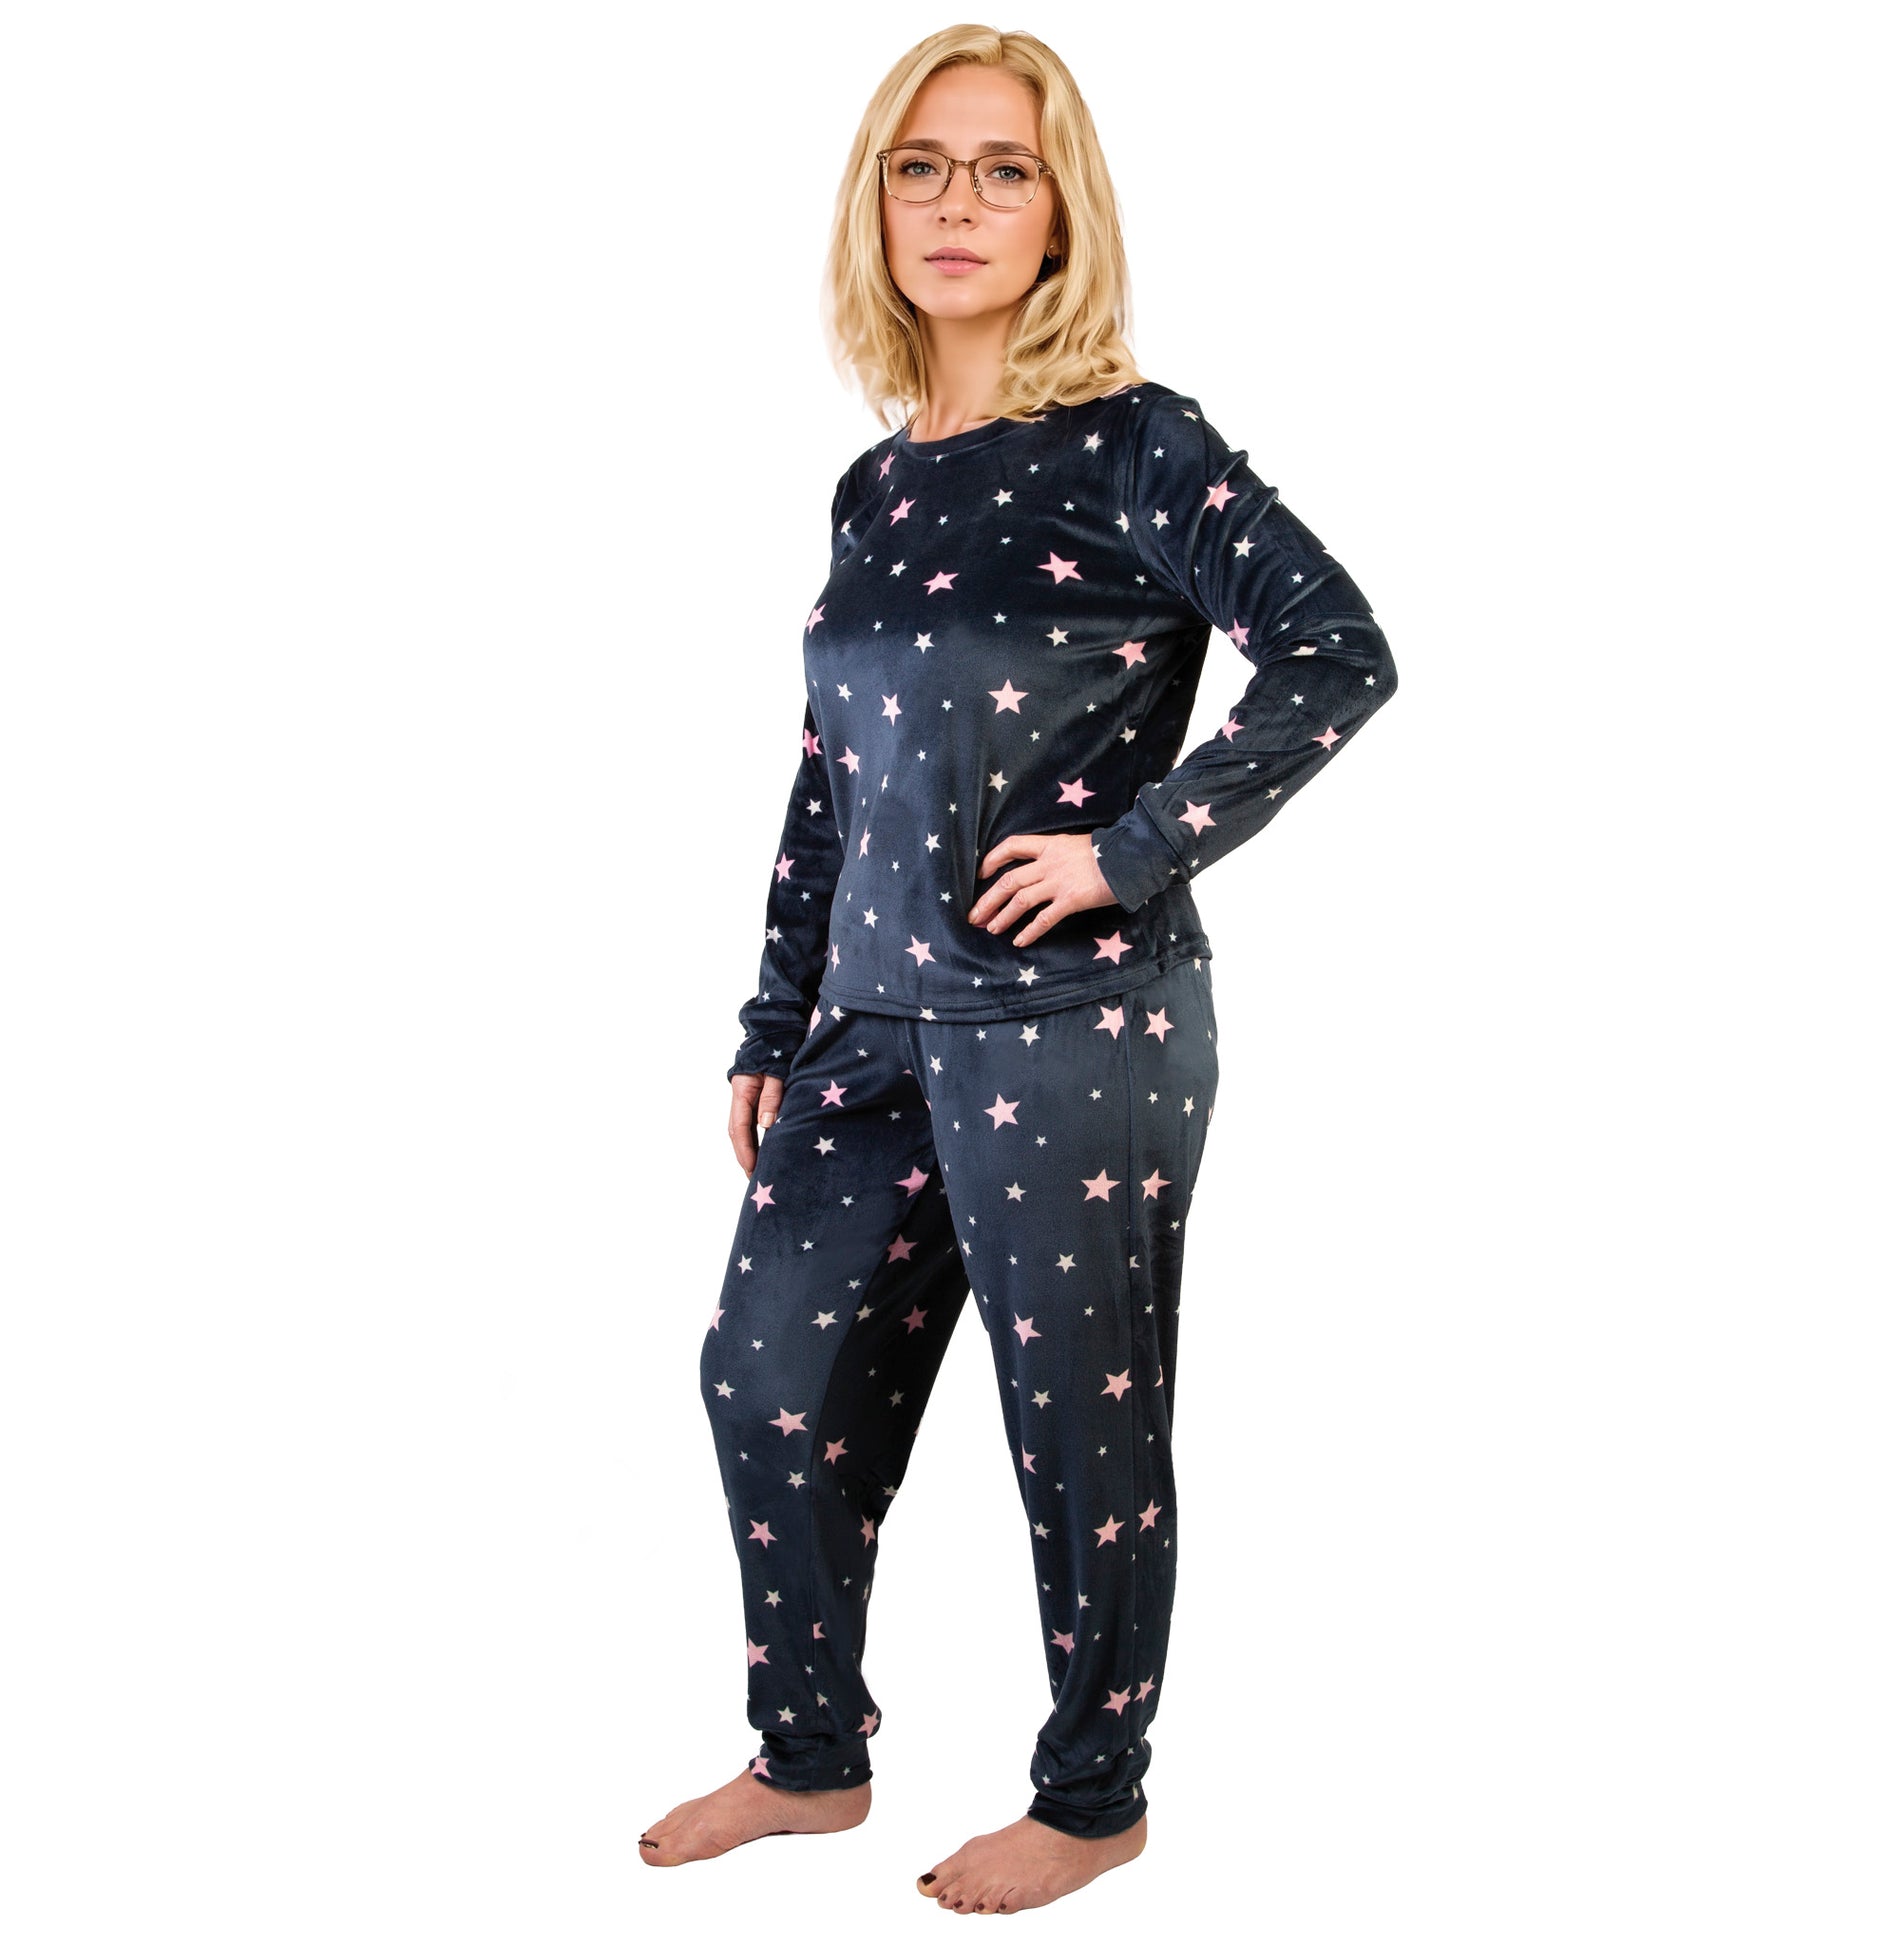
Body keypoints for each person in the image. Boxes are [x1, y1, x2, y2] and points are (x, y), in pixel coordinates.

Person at [639, 25, 1400, 1915]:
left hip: (1078, 1025)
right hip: (869, 1021)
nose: (955, 204)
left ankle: (1091, 1796)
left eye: (1002, 167)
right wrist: (772, 1017)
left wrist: (1133, 848)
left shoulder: (1139, 442)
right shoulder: (872, 485)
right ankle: (810, 1757)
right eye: (919, 166)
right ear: (873, 204)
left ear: (1063, 209)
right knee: (763, 1373)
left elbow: (1338, 651)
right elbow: (827, 777)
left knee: (1077, 1424)